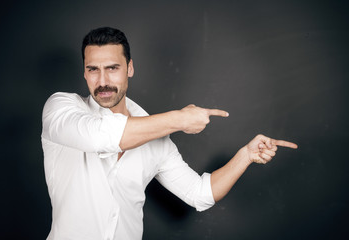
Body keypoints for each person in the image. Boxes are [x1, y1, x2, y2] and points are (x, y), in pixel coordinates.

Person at [41, 26, 298, 240]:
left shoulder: (156, 139)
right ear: (84, 71)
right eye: (93, 69)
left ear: (129, 68)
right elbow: (101, 135)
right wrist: (180, 119)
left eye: (112, 68)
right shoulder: (61, 109)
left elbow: (200, 194)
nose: (102, 81)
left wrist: (245, 156)